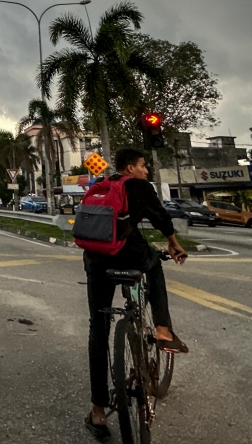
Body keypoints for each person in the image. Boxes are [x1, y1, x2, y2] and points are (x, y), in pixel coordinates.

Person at [83, 147, 188, 441]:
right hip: (127, 256)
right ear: (130, 168)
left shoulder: (99, 186)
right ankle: (164, 330)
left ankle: (98, 411)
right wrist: (173, 242)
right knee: (154, 266)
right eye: (143, 166)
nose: (146, 171)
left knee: (98, 329)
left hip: (95, 260)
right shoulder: (138, 186)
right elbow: (161, 218)